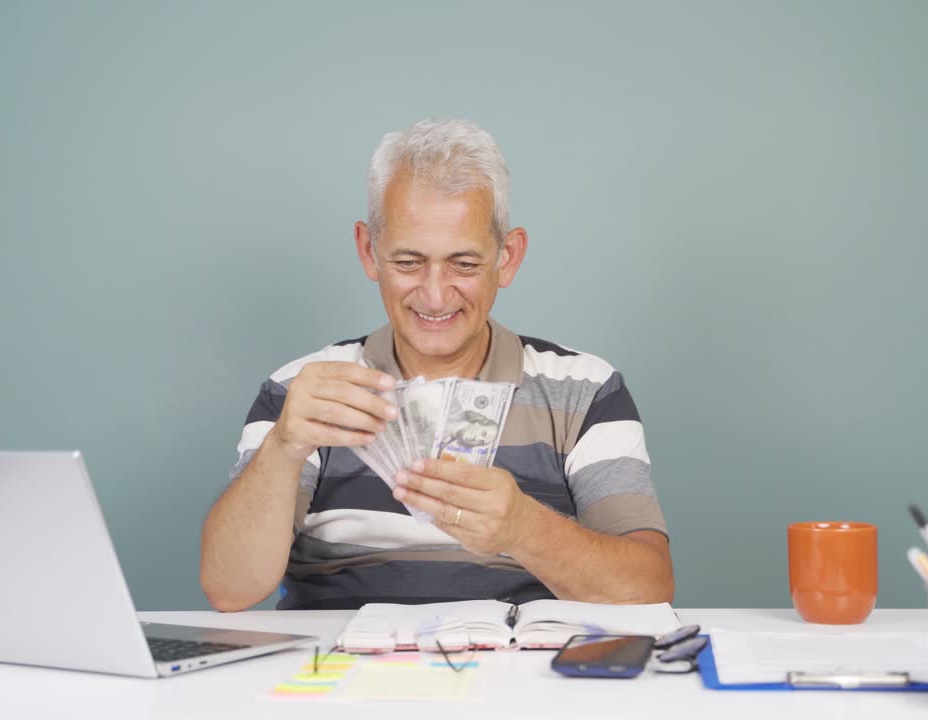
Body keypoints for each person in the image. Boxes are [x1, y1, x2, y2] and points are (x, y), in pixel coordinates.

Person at [200, 119, 673, 611]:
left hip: (522, 672)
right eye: (408, 262)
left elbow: (647, 588)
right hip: (340, 672)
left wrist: (523, 528)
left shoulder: (585, 391)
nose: (433, 293)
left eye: (463, 264)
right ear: (369, 252)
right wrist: (283, 446)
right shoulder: (303, 393)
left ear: (507, 258)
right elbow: (229, 589)